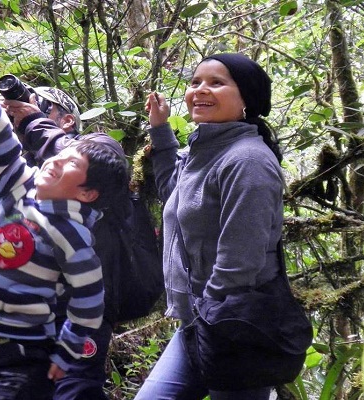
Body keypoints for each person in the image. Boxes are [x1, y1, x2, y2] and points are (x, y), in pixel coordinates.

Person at [0, 36, 129, 400]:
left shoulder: (74, 236)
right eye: (64, 153)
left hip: (23, 353)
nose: (58, 159)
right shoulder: (16, 183)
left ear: (87, 193)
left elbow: (90, 301)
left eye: (72, 162)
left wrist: (69, 349)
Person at [135, 53, 285, 400]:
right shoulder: (206, 149)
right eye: (195, 82)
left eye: (217, 83)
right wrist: (160, 129)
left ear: (246, 98)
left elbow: (241, 262)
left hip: (236, 329)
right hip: (201, 324)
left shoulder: (248, 161)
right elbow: (175, 193)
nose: (201, 90)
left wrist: (208, 319)